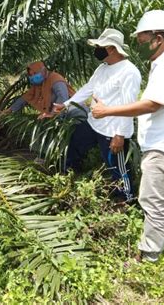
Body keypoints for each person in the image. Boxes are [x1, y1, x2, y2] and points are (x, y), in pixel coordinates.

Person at [92, 10, 164, 262]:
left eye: (141, 40)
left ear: (158, 38)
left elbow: (152, 104)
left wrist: (107, 111)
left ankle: (149, 254)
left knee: (152, 200)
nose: (138, 47)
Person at [53, 29, 141, 201]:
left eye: (100, 46)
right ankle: (69, 174)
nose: (97, 49)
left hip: (112, 130)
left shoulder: (129, 72)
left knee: (117, 167)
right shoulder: (103, 68)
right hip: (94, 123)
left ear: (111, 49)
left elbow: (129, 106)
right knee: (75, 144)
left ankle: (126, 198)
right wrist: (65, 105)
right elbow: (89, 88)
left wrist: (119, 135)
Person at [4, 61, 76, 119]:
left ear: (43, 71)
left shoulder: (55, 79)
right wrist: (10, 110)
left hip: (74, 113)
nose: (33, 77)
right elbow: (25, 98)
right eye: (31, 75)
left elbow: (62, 97)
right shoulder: (38, 85)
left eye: (35, 73)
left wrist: (53, 114)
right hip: (61, 116)